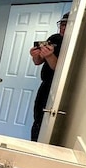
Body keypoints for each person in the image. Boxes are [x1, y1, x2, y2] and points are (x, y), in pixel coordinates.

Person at [29, 12, 68, 141]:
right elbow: (38, 62)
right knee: (38, 119)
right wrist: (36, 55)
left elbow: (60, 70)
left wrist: (50, 56)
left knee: (47, 124)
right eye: (62, 24)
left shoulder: (73, 45)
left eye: (67, 24)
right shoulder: (55, 38)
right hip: (45, 86)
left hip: (58, 88)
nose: (63, 27)